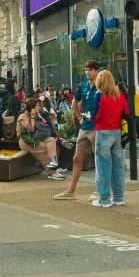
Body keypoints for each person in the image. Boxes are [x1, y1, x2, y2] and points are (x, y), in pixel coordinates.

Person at [54, 61, 99, 200]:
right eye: (86, 70)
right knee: (76, 158)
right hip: (85, 127)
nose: (87, 72)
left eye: (90, 70)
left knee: (99, 160)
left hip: (97, 127)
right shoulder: (83, 86)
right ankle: (71, 191)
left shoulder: (101, 85)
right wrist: (78, 115)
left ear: (96, 71)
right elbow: (75, 101)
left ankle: (99, 190)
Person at [90, 70, 129, 208]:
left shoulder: (99, 95)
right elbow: (126, 112)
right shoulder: (120, 95)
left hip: (103, 132)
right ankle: (119, 197)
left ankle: (104, 199)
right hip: (117, 132)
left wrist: (89, 116)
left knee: (103, 167)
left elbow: (96, 115)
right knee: (117, 166)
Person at [17, 97, 65, 180]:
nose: (39, 107)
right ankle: (52, 172)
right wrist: (32, 117)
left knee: (51, 140)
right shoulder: (23, 116)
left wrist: (39, 116)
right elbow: (31, 129)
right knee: (46, 148)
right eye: (37, 106)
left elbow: (45, 125)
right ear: (32, 108)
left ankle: (53, 163)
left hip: (37, 138)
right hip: (27, 141)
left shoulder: (37, 115)